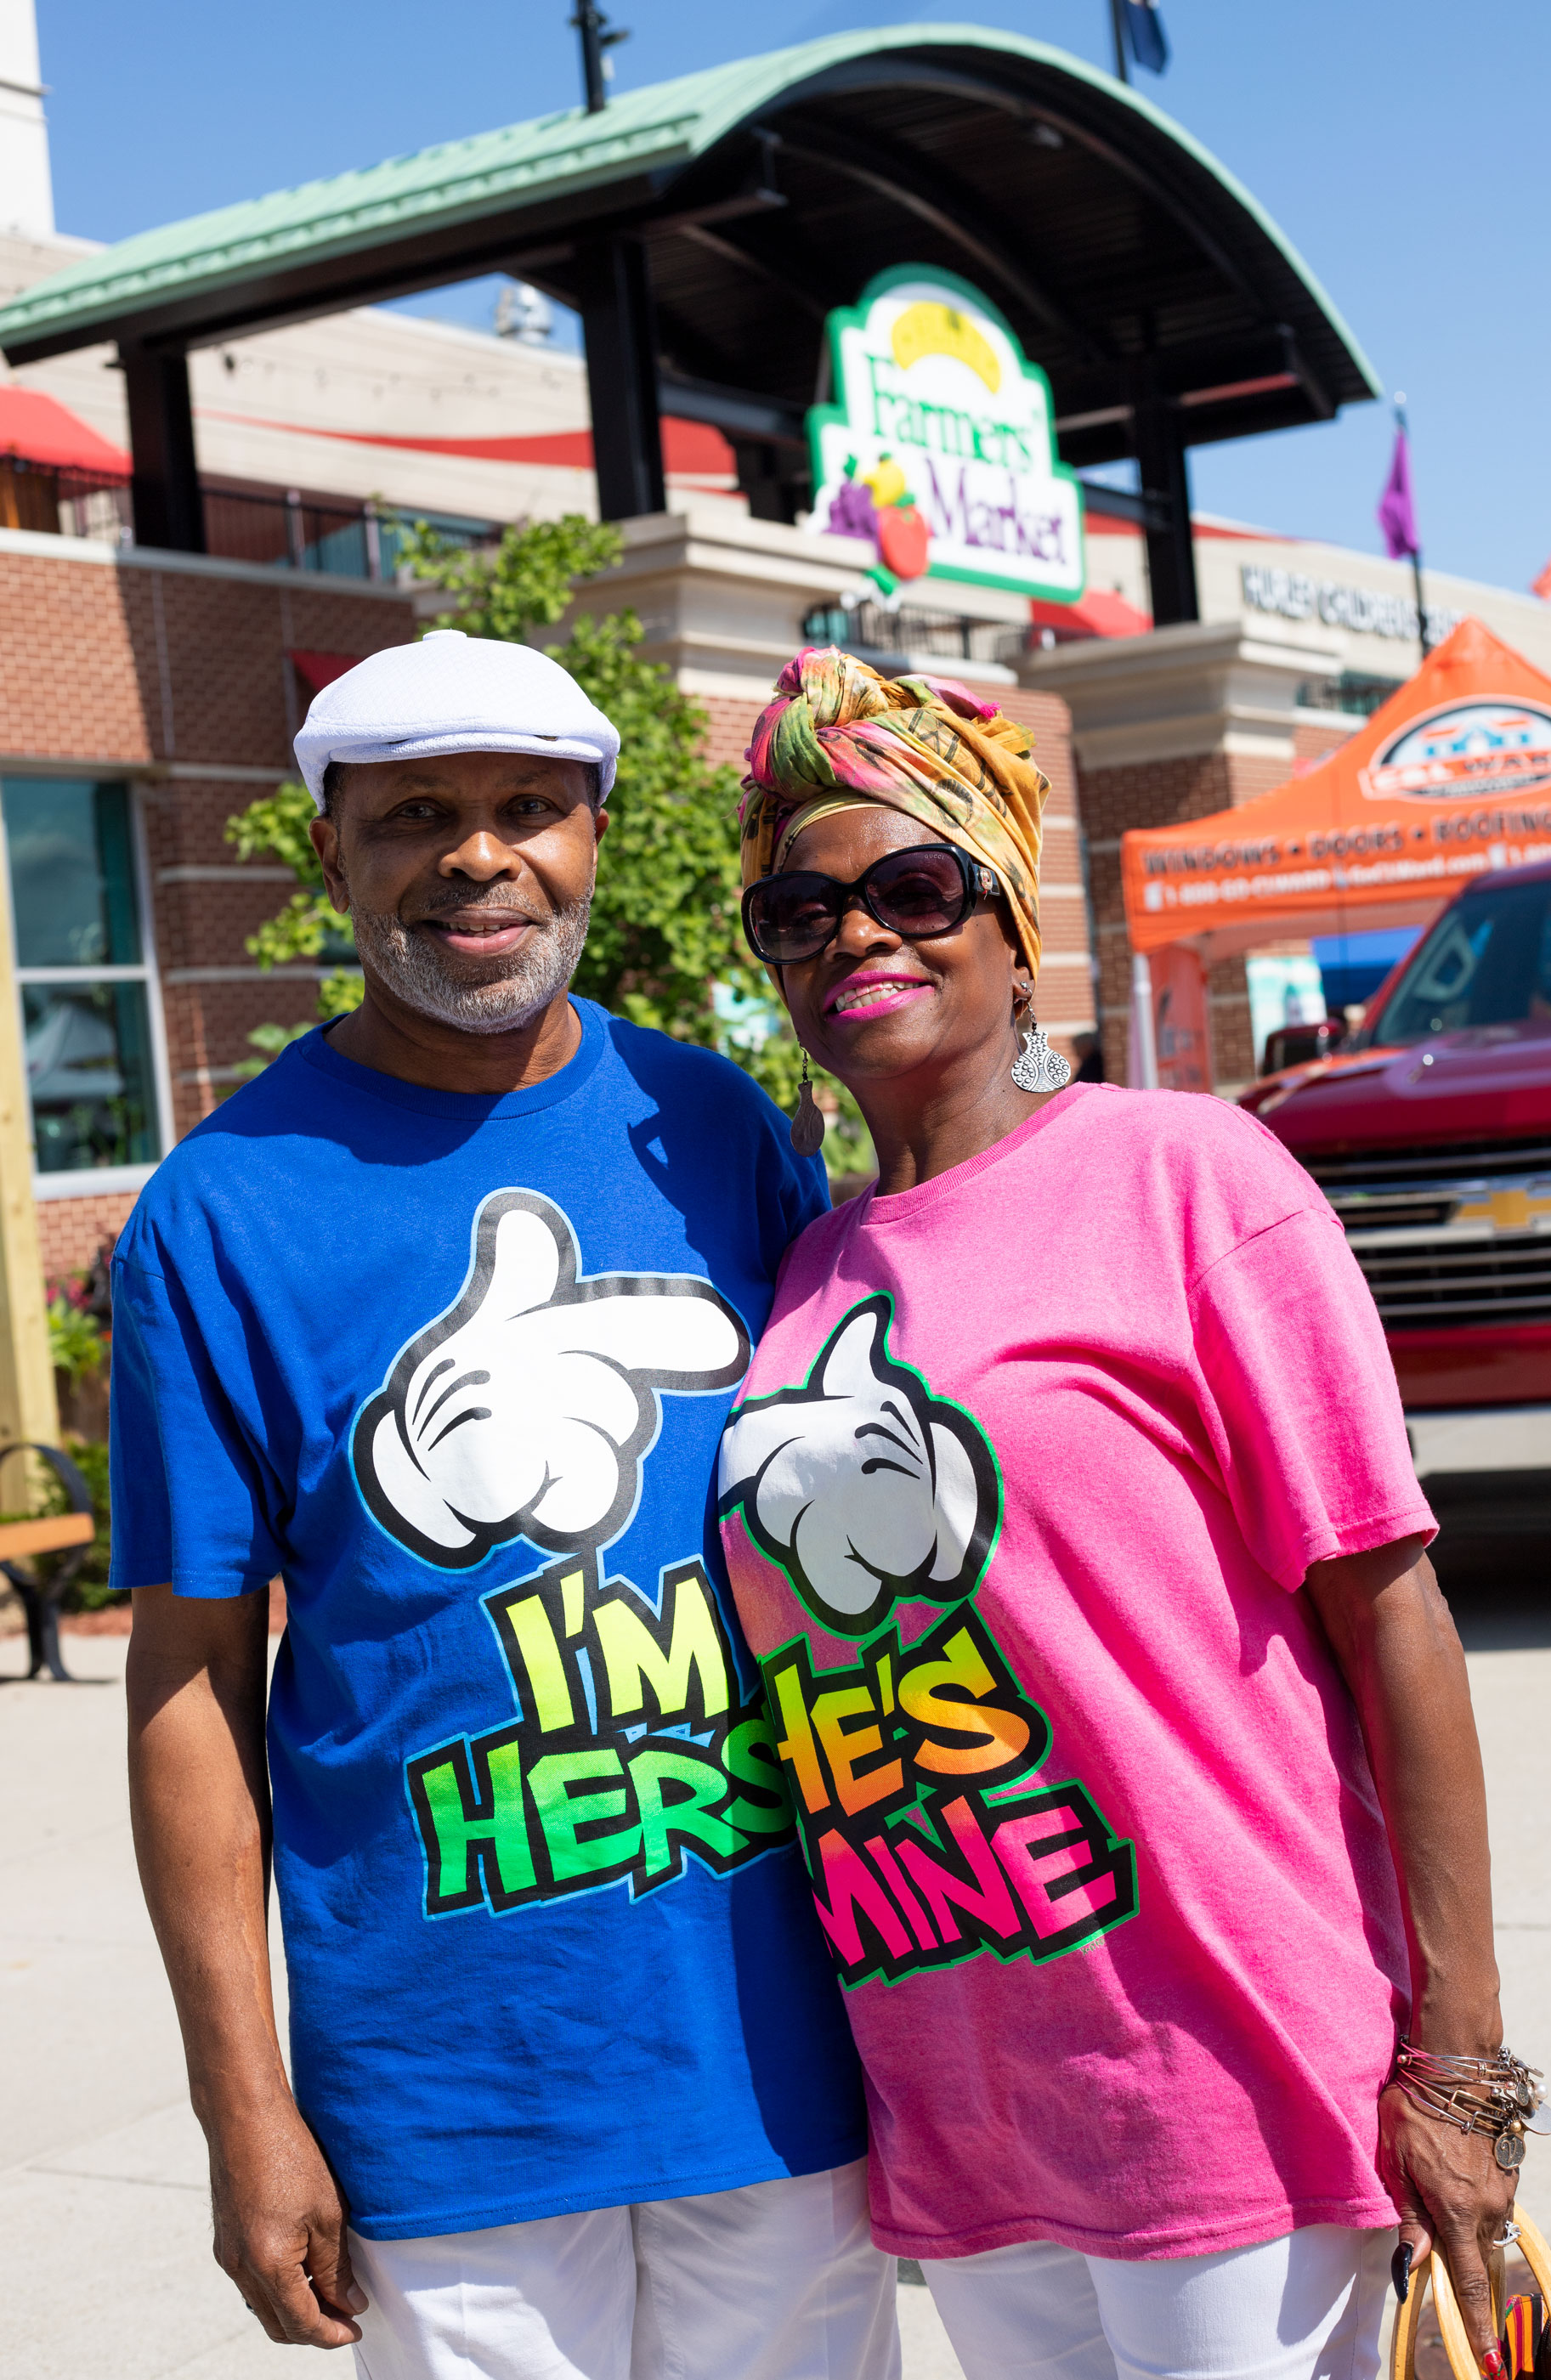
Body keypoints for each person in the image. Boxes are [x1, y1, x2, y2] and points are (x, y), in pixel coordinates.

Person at [716, 647, 1523, 2380]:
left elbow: (1394, 1617)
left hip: (1228, 2079)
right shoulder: (800, 1271)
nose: (856, 935)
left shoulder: (1189, 1177)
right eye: (800, 910)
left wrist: (1461, 2061)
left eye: (913, 888)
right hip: (961, 2103)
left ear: (1013, 929)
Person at [113, 630, 899, 2380]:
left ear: (595, 836)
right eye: (415, 816)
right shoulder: (220, 1212)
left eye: (527, 806)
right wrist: (243, 2103)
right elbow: (189, 1679)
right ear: (332, 852)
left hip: (778, 2051)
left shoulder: (715, 1125)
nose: (478, 855)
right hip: (451, 2095)